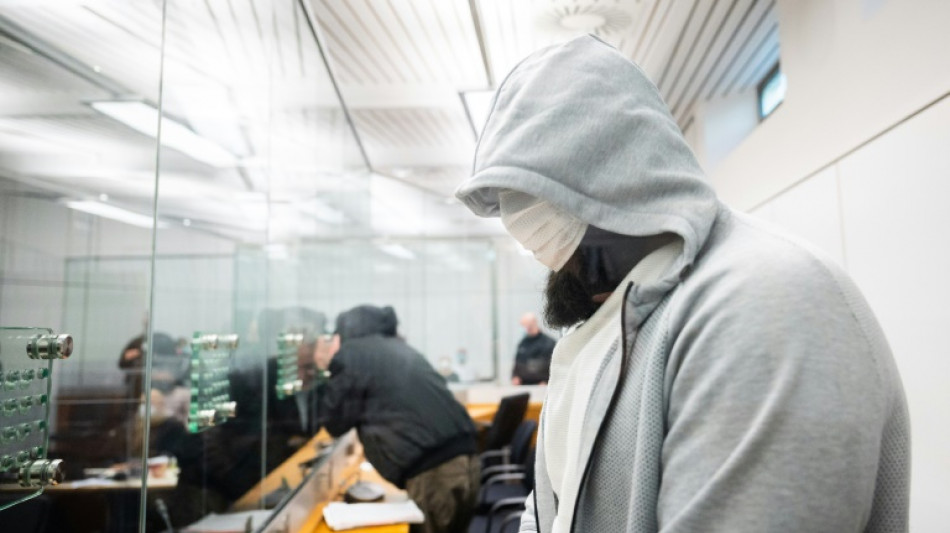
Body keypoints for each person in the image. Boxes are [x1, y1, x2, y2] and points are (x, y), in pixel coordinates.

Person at [455, 35, 909, 532]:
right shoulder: (607, 323)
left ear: (617, 191)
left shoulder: (763, 304)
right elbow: (551, 508)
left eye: (560, 236)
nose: (549, 261)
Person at [318, 305, 480, 533]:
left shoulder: (352, 353)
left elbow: (334, 422)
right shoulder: (397, 348)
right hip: (466, 462)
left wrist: (328, 365)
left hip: (434, 474)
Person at [511, 312, 555, 385]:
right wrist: (515, 376)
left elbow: (552, 365)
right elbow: (517, 362)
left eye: (525, 325)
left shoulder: (548, 343)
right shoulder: (523, 343)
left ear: (533, 324)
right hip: (523, 384)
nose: (524, 328)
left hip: (541, 384)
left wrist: (546, 381)